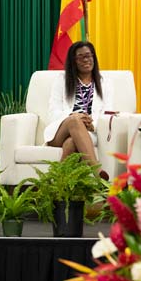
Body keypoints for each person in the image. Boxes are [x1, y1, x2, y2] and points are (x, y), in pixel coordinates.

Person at [43, 41, 112, 180]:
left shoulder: (104, 83)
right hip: (59, 132)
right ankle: (97, 171)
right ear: (73, 61)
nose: (86, 60)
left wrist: (92, 125)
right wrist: (72, 115)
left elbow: (108, 114)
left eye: (89, 55)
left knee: (71, 143)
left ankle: (57, 185)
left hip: (89, 132)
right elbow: (52, 113)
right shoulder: (62, 80)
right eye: (81, 57)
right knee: (74, 120)